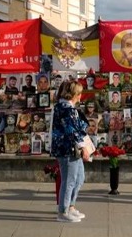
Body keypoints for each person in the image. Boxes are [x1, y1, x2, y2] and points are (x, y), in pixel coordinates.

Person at [51, 81, 90, 222]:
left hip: (69, 149)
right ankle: (63, 211)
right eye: (79, 94)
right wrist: (83, 147)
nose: (80, 97)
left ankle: (70, 206)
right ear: (73, 94)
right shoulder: (66, 109)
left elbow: (76, 127)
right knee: (69, 181)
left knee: (78, 178)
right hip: (67, 149)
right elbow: (71, 131)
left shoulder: (66, 107)